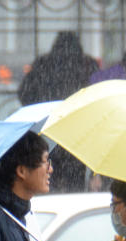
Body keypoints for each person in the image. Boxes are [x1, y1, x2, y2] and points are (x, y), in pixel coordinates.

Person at [18, 31, 99, 192]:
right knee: (74, 183)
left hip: (49, 129)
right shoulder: (86, 65)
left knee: (48, 175)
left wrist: (41, 108)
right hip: (76, 133)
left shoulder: (42, 64)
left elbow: (24, 93)